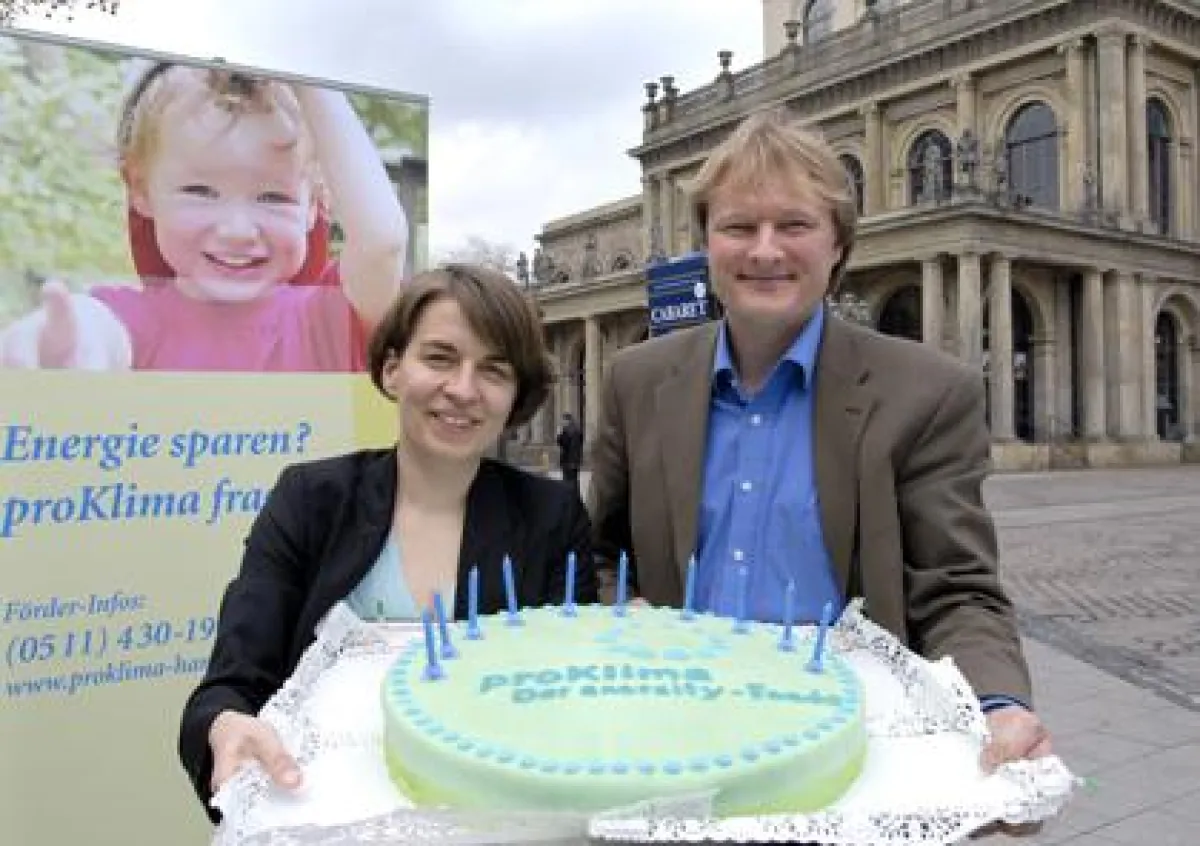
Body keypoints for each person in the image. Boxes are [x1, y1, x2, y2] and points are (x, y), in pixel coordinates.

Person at [587, 109, 1052, 779]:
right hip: (670, 736)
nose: (765, 251)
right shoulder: (636, 381)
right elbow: (600, 555)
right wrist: (625, 610)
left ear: (838, 246)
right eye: (738, 227)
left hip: (849, 749)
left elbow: (956, 591)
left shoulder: (928, 393)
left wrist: (997, 705)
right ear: (707, 244)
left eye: (795, 225)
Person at [178, 263, 597, 821]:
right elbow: (231, 685)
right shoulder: (310, 501)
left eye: (494, 370)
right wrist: (224, 725)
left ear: (516, 393)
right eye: (440, 358)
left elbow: (570, 701)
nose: (463, 389)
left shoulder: (552, 518)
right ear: (393, 368)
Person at [0, 61, 408, 372]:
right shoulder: (134, 323)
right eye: (199, 192)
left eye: (273, 197)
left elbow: (382, 243)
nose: (237, 230)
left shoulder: (331, 320)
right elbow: (95, 330)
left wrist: (309, 75)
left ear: (315, 205)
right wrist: (67, 346)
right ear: (140, 189)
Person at [556, 412, 584, 494]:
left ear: (567, 421)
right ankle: (575, 496)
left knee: (568, 482)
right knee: (574, 482)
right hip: (574, 461)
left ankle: (570, 497)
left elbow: (563, 443)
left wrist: (560, 434)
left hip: (568, 461)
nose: (562, 423)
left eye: (563, 421)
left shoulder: (568, 432)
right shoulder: (576, 431)